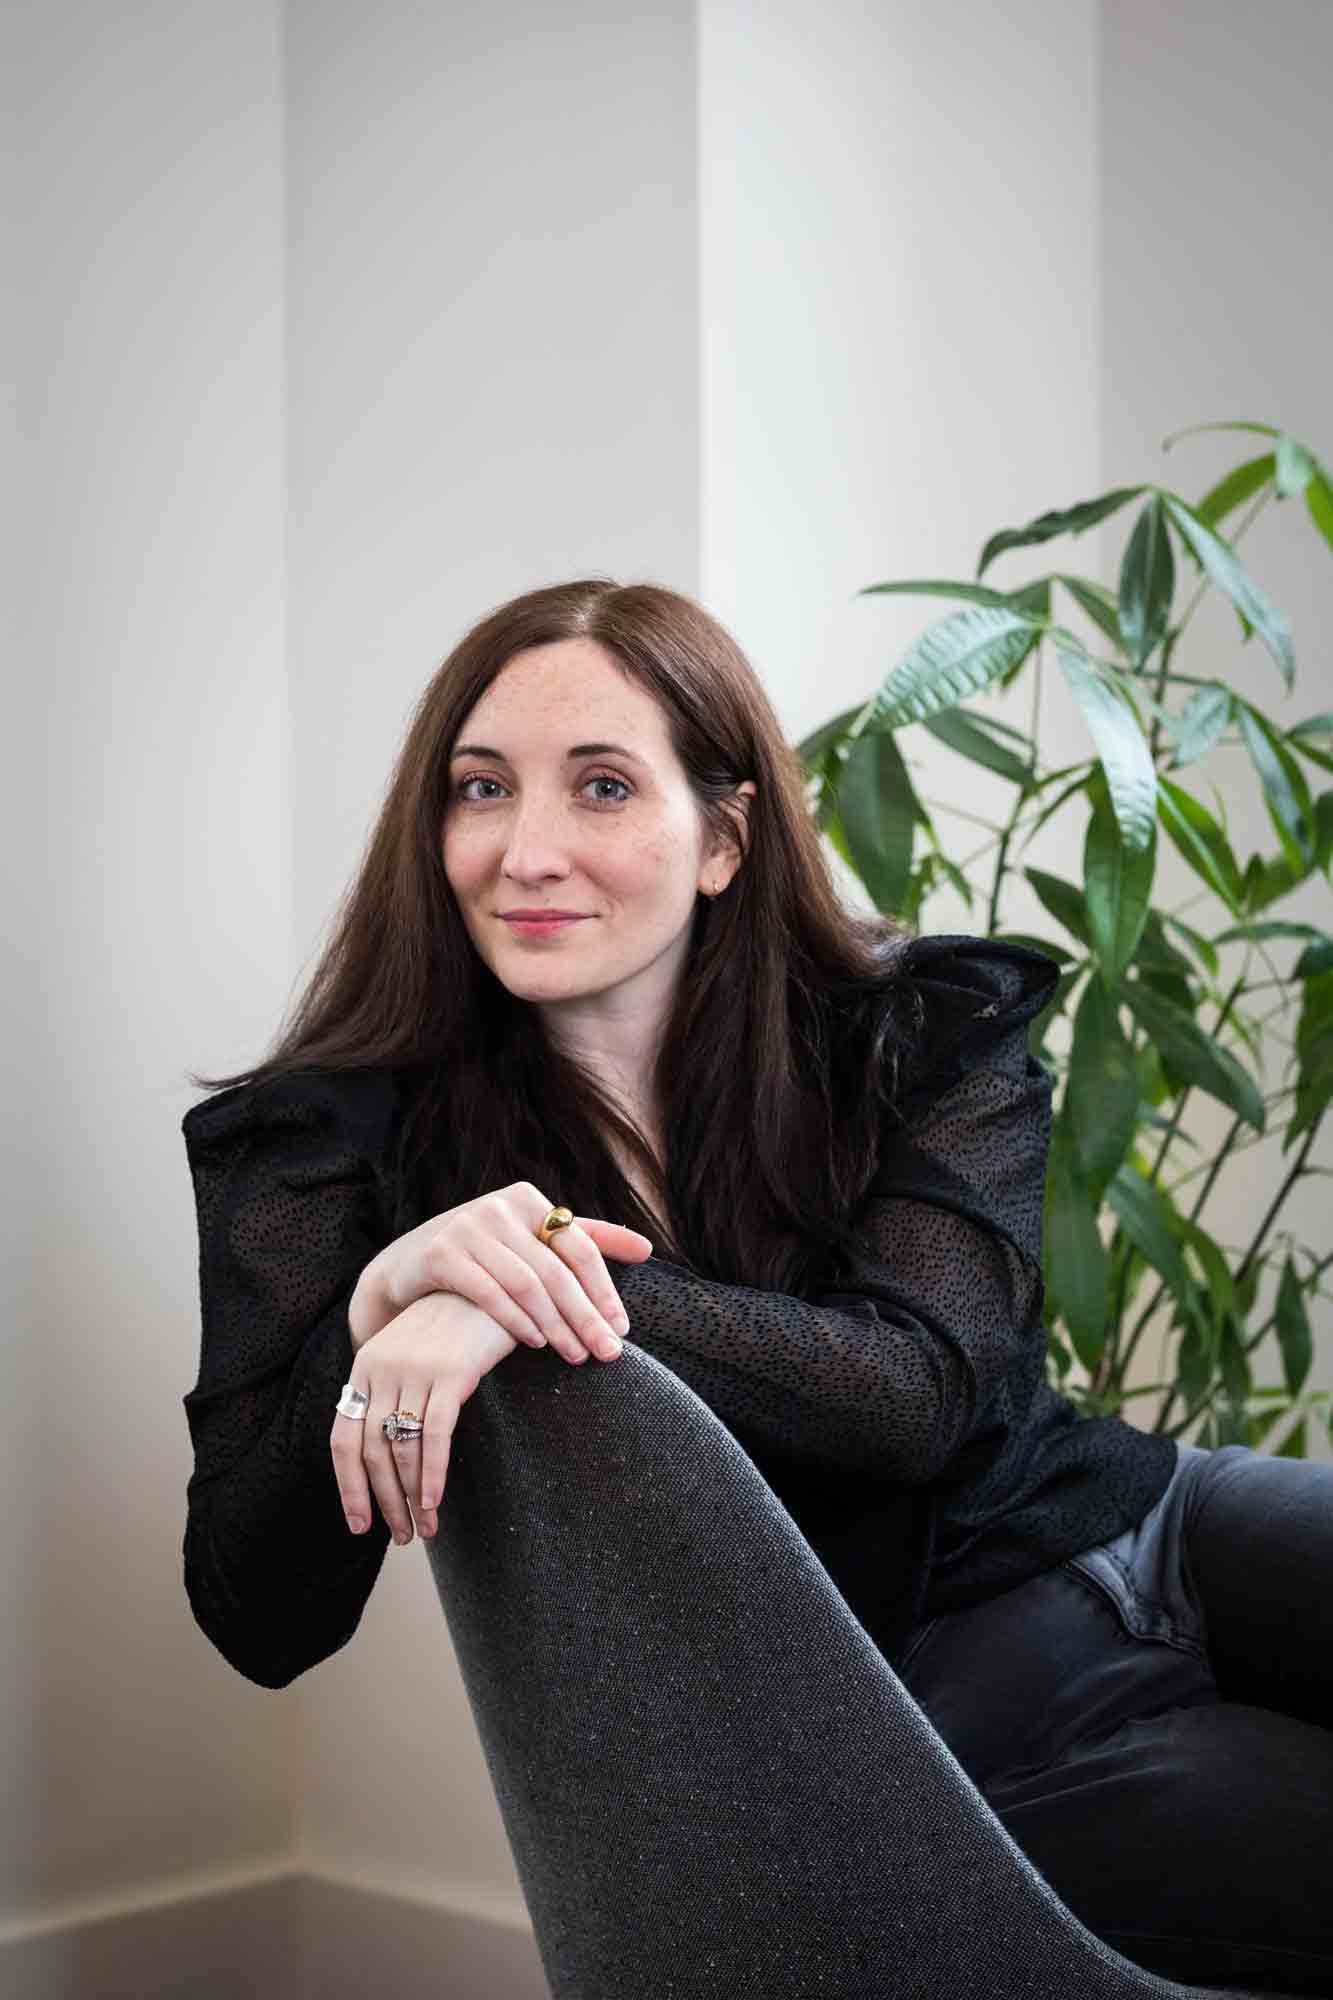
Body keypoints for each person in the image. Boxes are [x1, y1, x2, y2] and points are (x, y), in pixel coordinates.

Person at [181, 578, 1333, 1997]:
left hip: (1158, 1528)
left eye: (600, 786)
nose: (524, 849)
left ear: (723, 840)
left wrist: (539, 1276)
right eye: (480, 789)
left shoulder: (921, 1027)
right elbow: (259, 1614)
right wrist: (377, 1305)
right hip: (939, 1731)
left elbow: (911, 1392)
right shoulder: (321, 1145)